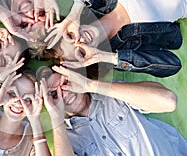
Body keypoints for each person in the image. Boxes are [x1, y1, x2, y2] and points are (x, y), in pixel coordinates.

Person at [44, 0, 186, 77]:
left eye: (70, 37)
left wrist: (75, 12)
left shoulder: (93, 1)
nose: (80, 40)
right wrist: (108, 57)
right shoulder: (123, 51)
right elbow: (172, 64)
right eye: (80, 51)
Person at [39, 65, 187, 155]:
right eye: (54, 94)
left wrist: (90, 85)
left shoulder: (112, 93)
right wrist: (56, 119)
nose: (64, 92)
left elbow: (168, 100)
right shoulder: (66, 139)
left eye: (66, 83)